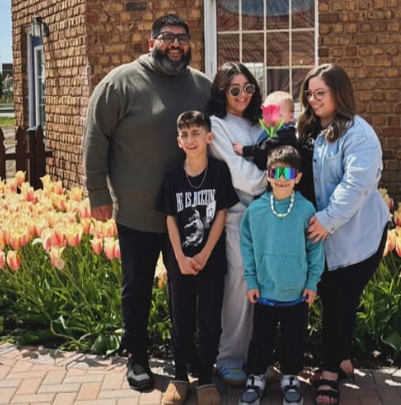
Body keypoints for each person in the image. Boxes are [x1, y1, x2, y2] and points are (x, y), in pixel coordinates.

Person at [83, 14, 211, 391]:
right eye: (167, 37)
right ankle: (137, 356)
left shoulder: (202, 86)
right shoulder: (120, 82)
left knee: (185, 290)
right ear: (151, 42)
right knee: (137, 287)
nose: (176, 44)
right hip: (138, 213)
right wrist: (98, 193)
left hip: (187, 214)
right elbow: (95, 137)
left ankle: (184, 354)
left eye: (183, 38)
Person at [296, 64, 390, 405]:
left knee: (339, 301)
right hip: (321, 233)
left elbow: (357, 184)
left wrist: (327, 219)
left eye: (321, 93)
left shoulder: (358, 133)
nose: (313, 99)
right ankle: (341, 359)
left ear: (340, 93)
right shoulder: (308, 128)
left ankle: (329, 376)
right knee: (330, 297)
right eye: (309, 93)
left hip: (355, 237)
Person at [155, 111, 238, 405]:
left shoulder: (219, 172)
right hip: (180, 262)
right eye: (185, 135)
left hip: (211, 262)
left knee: (209, 321)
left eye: (196, 133)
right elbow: (170, 218)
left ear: (208, 137)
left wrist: (204, 253)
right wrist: (179, 257)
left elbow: (221, 214)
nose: (191, 140)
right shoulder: (172, 174)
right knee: (181, 320)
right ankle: (180, 376)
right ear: (179, 141)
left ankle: (204, 377)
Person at [238, 146, 324, 405]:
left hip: (296, 293)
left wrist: (312, 282)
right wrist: (251, 280)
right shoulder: (256, 211)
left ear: (298, 177)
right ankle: (256, 377)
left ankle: (290, 378)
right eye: (276, 172)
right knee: (260, 339)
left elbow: (315, 248)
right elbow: (247, 247)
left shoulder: (306, 210)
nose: (282, 179)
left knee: (293, 340)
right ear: (268, 175)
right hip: (265, 291)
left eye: (288, 173)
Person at [206, 62, 266, 386]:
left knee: (262, 287)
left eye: (248, 88)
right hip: (236, 218)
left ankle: (255, 357)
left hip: (266, 218)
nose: (243, 95)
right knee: (239, 286)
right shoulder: (217, 125)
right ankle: (229, 358)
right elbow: (239, 174)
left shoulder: (257, 125)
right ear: (222, 92)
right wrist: (272, 179)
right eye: (235, 89)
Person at [232, 91, 297, 170]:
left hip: (280, 173)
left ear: (290, 117)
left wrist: (244, 150)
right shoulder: (275, 130)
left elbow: (264, 148)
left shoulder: (285, 135)